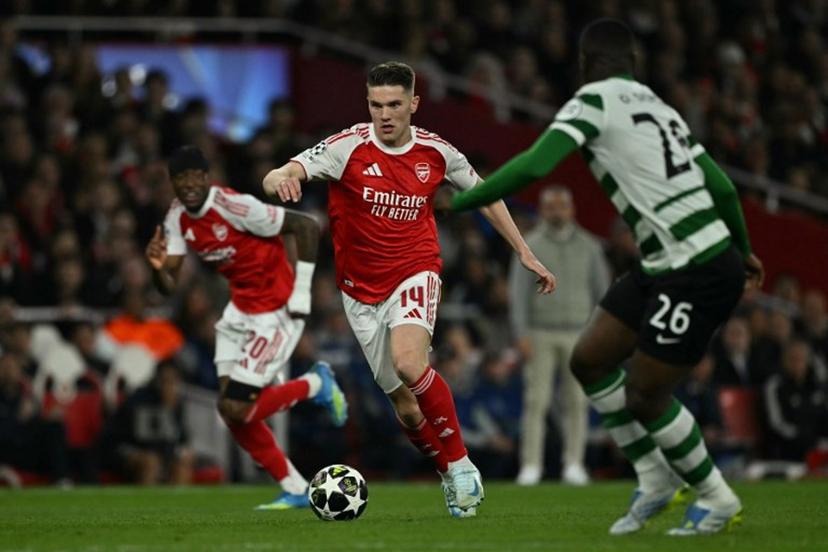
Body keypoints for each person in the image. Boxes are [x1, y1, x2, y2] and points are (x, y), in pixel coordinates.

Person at [451, 19, 764, 535]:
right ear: (633, 64)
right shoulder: (659, 108)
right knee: (591, 360)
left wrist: (463, 201)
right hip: (673, 260)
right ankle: (654, 477)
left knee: (645, 391)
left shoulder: (590, 102)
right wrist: (746, 249)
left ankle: (716, 495)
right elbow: (724, 188)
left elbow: (535, 166)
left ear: (583, 64)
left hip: (696, 265)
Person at [262, 61, 556, 518]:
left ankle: (461, 465)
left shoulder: (437, 153)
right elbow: (282, 171)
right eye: (377, 105)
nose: (385, 114)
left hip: (416, 271)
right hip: (360, 292)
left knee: (409, 361)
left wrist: (522, 250)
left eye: (395, 104)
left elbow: (487, 193)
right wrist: (282, 178)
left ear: (414, 104)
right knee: (407, 407)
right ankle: (446, 473)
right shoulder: (347, 148)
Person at [145, 145, 347, 509]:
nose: (189, 185)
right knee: (232, 411)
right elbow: (168, 285)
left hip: (276, 309)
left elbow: (305, 225)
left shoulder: (235, 207)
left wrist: (301, 294)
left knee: (238, 407)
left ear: (207, 179)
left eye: (196, 177)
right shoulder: (176, 217)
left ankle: (315, 383)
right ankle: (296, 487)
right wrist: (158, 269)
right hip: (239, 311)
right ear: (173, 183)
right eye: (181, 179)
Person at [510, 185, 610, 486]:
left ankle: (574, 464)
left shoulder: (590, 246)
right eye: (551, 206)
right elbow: (518, 294)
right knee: (535, 401)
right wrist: (521, 333)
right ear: (543, 210)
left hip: (580, 332)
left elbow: (602, 293)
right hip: (540, 331)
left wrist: (598, 335)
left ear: (571, 209)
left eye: (561, 206)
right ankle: (531, 465)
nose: (556, 212)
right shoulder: (529, 244)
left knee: (577, 402)